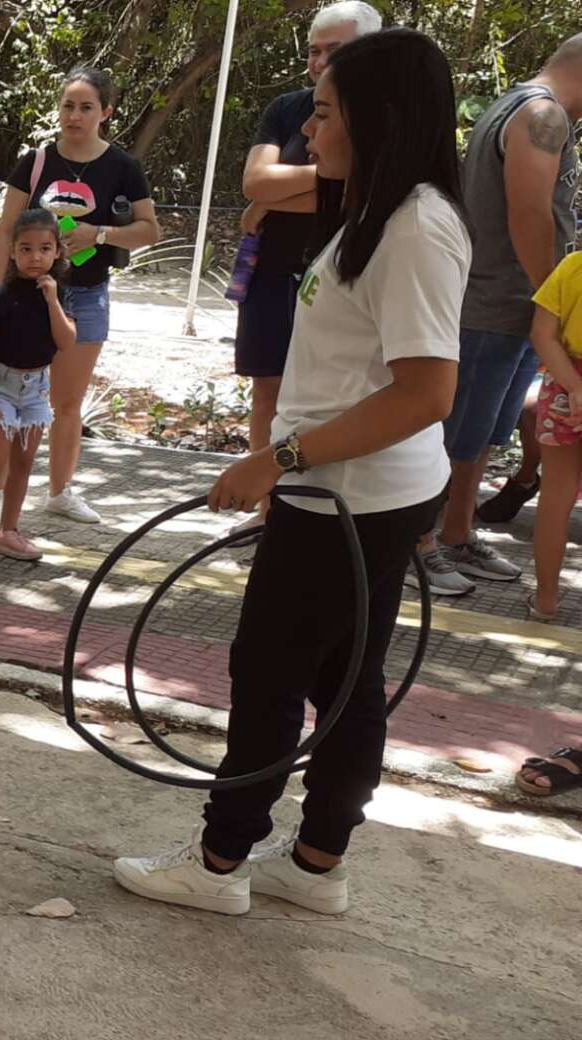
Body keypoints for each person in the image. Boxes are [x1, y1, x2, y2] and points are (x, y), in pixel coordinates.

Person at [113, 30, 471, 917]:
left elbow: (428, 391)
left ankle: (221, 859)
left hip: (348, 496)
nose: (311, 130)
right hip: (354, 493)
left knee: (270, 670)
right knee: (342, 677)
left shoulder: (418, 226)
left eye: (324, 111)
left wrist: (277, 461)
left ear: (376, 118)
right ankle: (314, 864)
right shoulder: (375, 211)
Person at [417, 33, 581, 596]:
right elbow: (529, 213)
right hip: (497, 300)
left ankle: (457, 533)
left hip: (512, 306)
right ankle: (417, 544)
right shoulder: (542, 114)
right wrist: (553, 304)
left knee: (482, 433)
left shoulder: (524, 105)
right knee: (454, 431)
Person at [233, 1, 381, 536]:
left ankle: (314, 509)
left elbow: (358, 200)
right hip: (272, 271)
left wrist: (278, 196)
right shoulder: (286, 107)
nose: (320, 62)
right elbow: (254, 183)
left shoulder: (382, 119)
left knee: (329, 395)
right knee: (267, 393)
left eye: (334, 51)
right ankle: (265, 510)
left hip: (339, 277)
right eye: (315, 51)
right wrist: (314, 186)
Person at [0, 67, 159, 525]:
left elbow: (149, 230)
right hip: (26, 298)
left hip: (85, 297)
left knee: (65, 402)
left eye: (86, 107)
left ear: (106, 112)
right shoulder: (37, 160)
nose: (74, 116)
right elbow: (6, 229)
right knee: (12, 396)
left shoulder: (123, 167)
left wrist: (99, 233)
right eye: (68, 106)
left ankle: (60, 492)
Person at [0, 209, 76, 576]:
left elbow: (67, 342)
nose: (35, 257)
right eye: (26, 249)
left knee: (23, 466)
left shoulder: (56, 294)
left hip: (36, 389)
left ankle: (7, 531)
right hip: (3, 386)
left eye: (44, 249)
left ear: (57, 252)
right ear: (12, 252)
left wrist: (53, 299)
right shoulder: (0, 296)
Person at [527, 249, 582, 621]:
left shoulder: (572, 266)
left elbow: (541, 335)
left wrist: (575, 386)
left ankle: (546, 600)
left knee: (554, 501)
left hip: (565, 387)